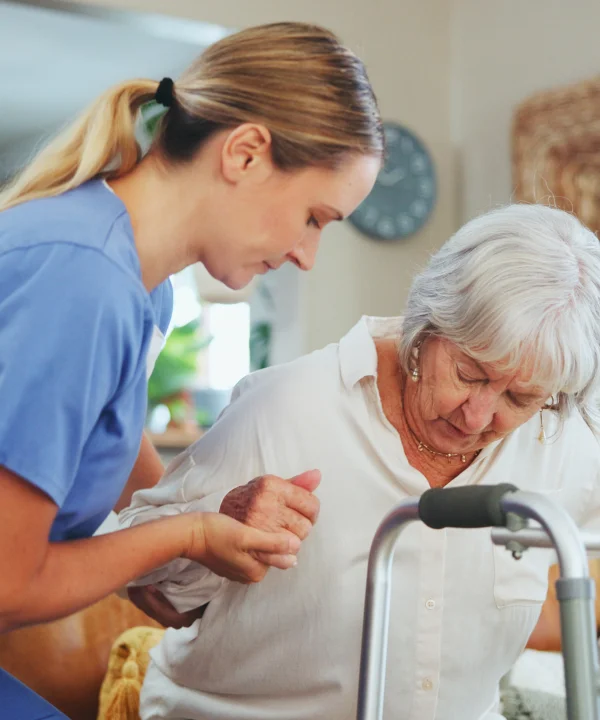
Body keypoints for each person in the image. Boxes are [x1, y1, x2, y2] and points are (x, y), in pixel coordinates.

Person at [0, 21, 383, 720]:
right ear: (244, 153)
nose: (308, 255)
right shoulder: (82, 282)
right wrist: (191, 535)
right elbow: (8, 580)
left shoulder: (142, 290)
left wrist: (193, 538)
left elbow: (125, 482)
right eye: (313, 217)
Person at [118, 203, 600, 720]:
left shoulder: (567, 446)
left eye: (519, 399)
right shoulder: (285, 407)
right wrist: (215, 527)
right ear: (430, 321)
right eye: (470, 374)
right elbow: (152, 585)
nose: (479, 415)